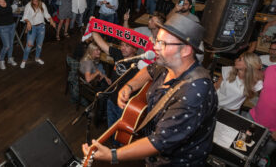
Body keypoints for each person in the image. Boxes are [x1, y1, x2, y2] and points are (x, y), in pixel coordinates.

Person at [82, 13, 217, 166]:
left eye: (163, 43)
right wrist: (130, 85)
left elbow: (159, 142)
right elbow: (148, 71)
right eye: (157, 41)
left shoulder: (195, 92)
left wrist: (112, 155)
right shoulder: (166, 64)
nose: (155, 47)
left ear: (185, 50)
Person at [90, 28, 139, 130]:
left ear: (135, 49)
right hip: (111, 100)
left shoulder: (140, 64)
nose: (123, 48)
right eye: (122, 44)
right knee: (111, 128)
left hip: (124, 106)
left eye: (127, 46)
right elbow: (102, 44)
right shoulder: (118, 54)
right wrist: (93, 25)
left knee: (120, 131)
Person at [20, 0, 56, 68]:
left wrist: (51, 21)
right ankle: (24, 60)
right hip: (32, 28)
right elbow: (24, 17)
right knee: (29, 45)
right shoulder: (28, 5)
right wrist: (28, 22)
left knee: (39, 45)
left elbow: (47, 15)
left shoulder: (42, 4)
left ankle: (37, 58)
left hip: (41, 27)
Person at [247, 65, 276, 160]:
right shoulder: (271, 68)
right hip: (253, 117)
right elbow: (260, 84)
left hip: (272, 130)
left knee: (260, 156)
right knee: (243, 146)